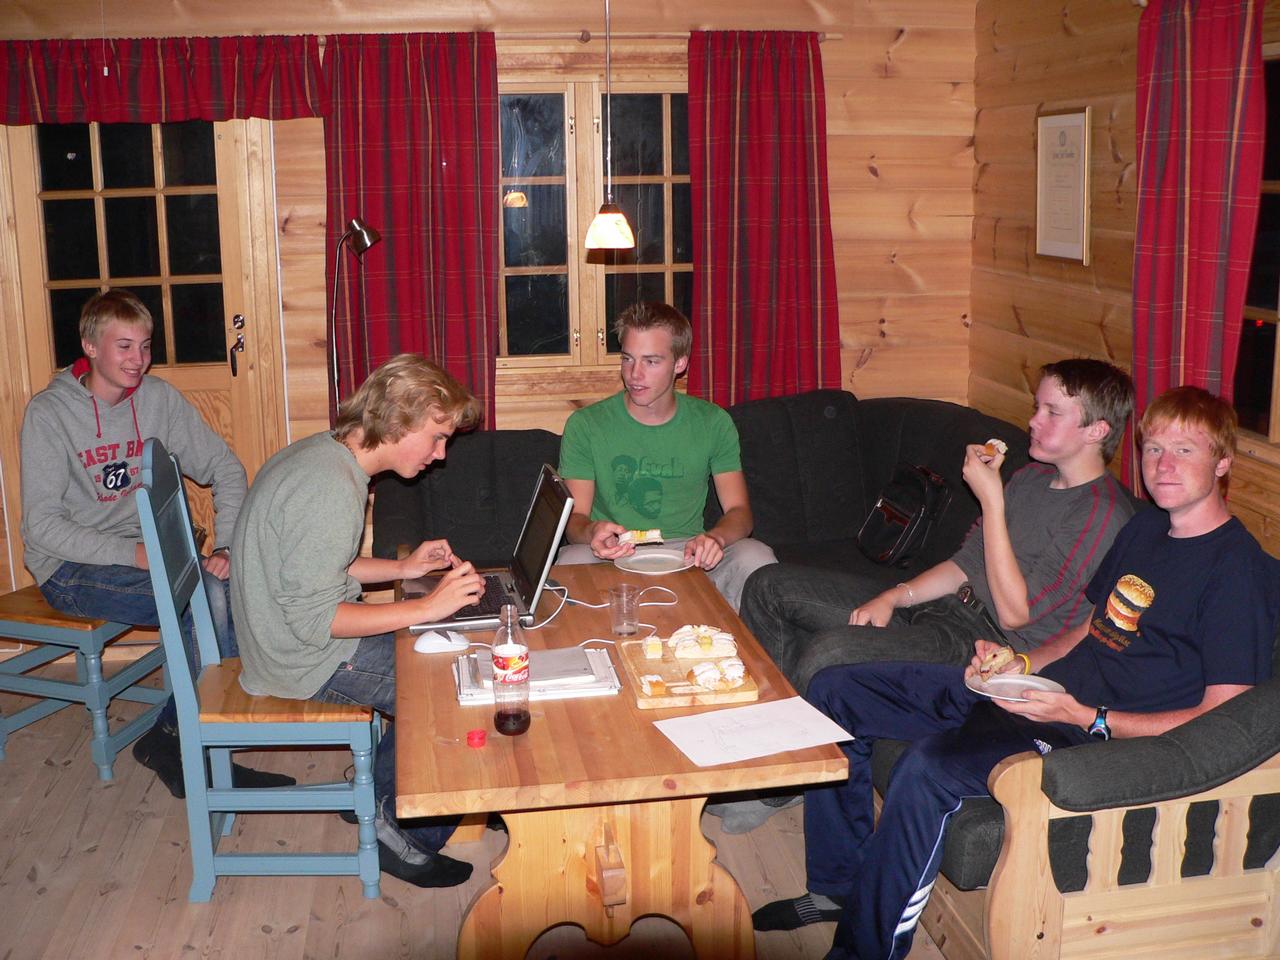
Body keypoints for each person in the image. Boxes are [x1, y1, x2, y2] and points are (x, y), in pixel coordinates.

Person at [754, 386, 1280, 959]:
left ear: (1222, 462)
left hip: (1091, 737)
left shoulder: (1238, 573)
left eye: (1184, 450)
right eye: (1153, 449)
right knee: (837, 689)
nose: (1163, 465)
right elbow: (1092, 627)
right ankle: (836, 887)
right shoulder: (1146, 529)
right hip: (1041, 694)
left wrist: (1087, 715)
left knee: (928, 768)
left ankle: (863, 951)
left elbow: (1222, 719)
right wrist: (1020, 664)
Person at [713, 359, 1137, 833]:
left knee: (830, 653)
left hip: (986, 647)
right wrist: (896, 596)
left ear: (1097, 430)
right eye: (1036, 406)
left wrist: (992, 501)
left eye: (1051, 412)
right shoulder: (1031, 478)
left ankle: (781, 780)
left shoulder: (1100, 515)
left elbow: (1016, 614)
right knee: (769, 586)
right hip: (943, 611)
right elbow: (966, 562)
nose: (1033, 421)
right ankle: (780, 746)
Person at [20, 288, 292, 798]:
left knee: (231, 587)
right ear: (90, 346)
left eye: (145, 346)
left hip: (155, 554)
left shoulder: (159, 400)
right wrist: (136, 554)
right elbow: (41, 528)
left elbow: (226, 469)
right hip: (72, 567)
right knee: (202, 599)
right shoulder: (50, 413)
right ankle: (202, 747)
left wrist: (226, 547)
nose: (137, 360)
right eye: (123, 346)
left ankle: (177, 738)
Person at [230, 353, 488, 888]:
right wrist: (427, 607)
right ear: (397, 423)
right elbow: (316, 619)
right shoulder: (331, 487)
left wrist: (403, 569)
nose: (441, 455)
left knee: (439, 656)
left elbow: (317, 568)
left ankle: (382, 798)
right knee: (458, 688)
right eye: (437, 438)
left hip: (284, 641)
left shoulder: (325, 455)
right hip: (302, 660)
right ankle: (403, 838)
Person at [557, 302, 775, 610]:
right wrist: (592, 531)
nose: (634, 374)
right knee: (570, 560)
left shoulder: (713, 422)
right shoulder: (586, 425)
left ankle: (735, 642)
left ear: (680, 363)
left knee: (756, 556)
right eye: (628, 358)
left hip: (688, 553)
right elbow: (574, 520)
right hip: (616, 553)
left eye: (651, 361)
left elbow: (740, 512)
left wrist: (715, 539)